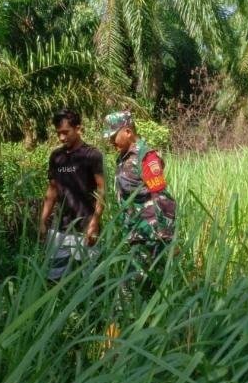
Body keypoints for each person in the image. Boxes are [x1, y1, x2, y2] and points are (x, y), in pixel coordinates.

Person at [103, 110, 176, 298]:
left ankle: (116, 326)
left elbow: (161, 195)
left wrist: (166, 235)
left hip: (151, 235)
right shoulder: (123, 158)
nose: (111, 141)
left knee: (126, 290)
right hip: (136, 232)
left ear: (127, 131)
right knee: (149, 289)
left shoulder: (146, 157)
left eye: (113, 136)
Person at [40, 109, 105, 281]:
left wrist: (95, 223)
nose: (62, 138)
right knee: (53, 278)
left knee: (91, 280)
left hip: (85, 228)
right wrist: (43, 220)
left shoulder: (92, 155)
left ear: (78, 128)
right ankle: (56, 308)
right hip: (59, 229)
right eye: (58, 133)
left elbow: (102, 190)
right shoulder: (56, 156)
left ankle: (91, 308)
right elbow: (52, 190)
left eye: (65, 132)